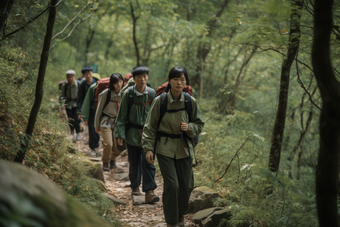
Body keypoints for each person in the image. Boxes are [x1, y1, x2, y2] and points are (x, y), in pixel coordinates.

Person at [142, 66, 204, 227]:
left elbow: (199, 124)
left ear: (185, 82)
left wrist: (189, 128)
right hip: (164, 148)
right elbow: (150, 126)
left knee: (187, 185)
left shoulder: (190, 101)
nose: (179, 82)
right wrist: (148, 148)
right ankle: (172, 221)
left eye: (182, 79)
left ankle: (180, 214)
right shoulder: (160, 101)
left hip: (184, 148)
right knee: (172, 185)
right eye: (175, 79)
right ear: (169, 81)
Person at [115, 65, 159, 204]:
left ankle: (150, 191)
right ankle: (135, 187)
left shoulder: (152, 93)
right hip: (132, 134)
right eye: (139, 77)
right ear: (134, 78)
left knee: (149, 162)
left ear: (148, 77)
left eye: (145, 76)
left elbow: (157, 117)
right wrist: (120, 134)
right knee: (134, 162)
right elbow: (121, 116)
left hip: (148, 134)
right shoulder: (129, 93)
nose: (142, 79)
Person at [94, 73, 124, 171]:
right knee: (108, 144)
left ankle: (112, 159)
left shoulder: (125, 94)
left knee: (119, 147)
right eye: (116, 82)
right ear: (112, 84)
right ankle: (106, 162)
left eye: (120, 81)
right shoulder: (106, 94)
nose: (119, 84)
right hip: (106, 122)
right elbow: (99, 110)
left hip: (118, 123)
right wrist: (96, 125)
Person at [78, 66, 101, 155]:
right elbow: (80, 99)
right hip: (90, 110)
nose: (88, 75)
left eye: (90, 73)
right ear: (83, 75)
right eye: (86, 74)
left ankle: (97, 147)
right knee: (92, 129)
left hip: (99, 109)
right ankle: (93, 147)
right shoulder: (83, 85)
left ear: (92, 72)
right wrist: (80, 112)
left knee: (98, 128)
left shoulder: (98, 83)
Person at [60, 70, 81, 142]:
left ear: (74, 77)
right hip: (68, 104)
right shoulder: (64, 86)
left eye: (72, 77)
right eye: (69, 77)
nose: (71, 78)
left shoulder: (79, 84)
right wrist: (62, 104)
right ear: (67, 78)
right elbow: (62, 96)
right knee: (70, 119)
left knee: (77, 118)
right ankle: (72, 133)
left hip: (77, 104)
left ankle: (78, 132)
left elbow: (81, 95)